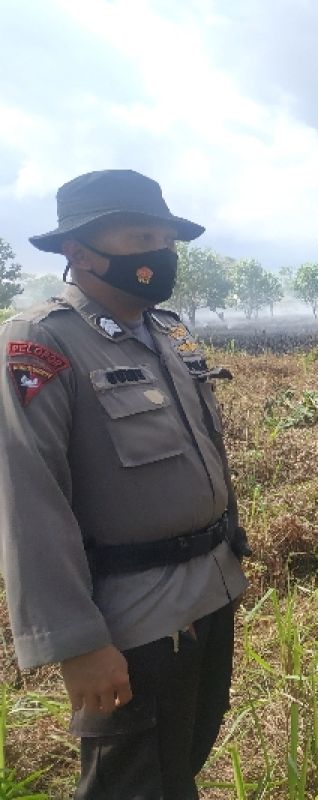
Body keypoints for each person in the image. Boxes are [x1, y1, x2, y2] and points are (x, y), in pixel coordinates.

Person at [0, 169, 250, 799]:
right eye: (141, 237)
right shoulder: (41, 344)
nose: (160, 255)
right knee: (132, 783)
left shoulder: (168, 333)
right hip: (131, 619)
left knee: (181, 763)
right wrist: (77, 644)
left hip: (208, 594)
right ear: (78, 252)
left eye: (166, 240)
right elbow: (29, 500)